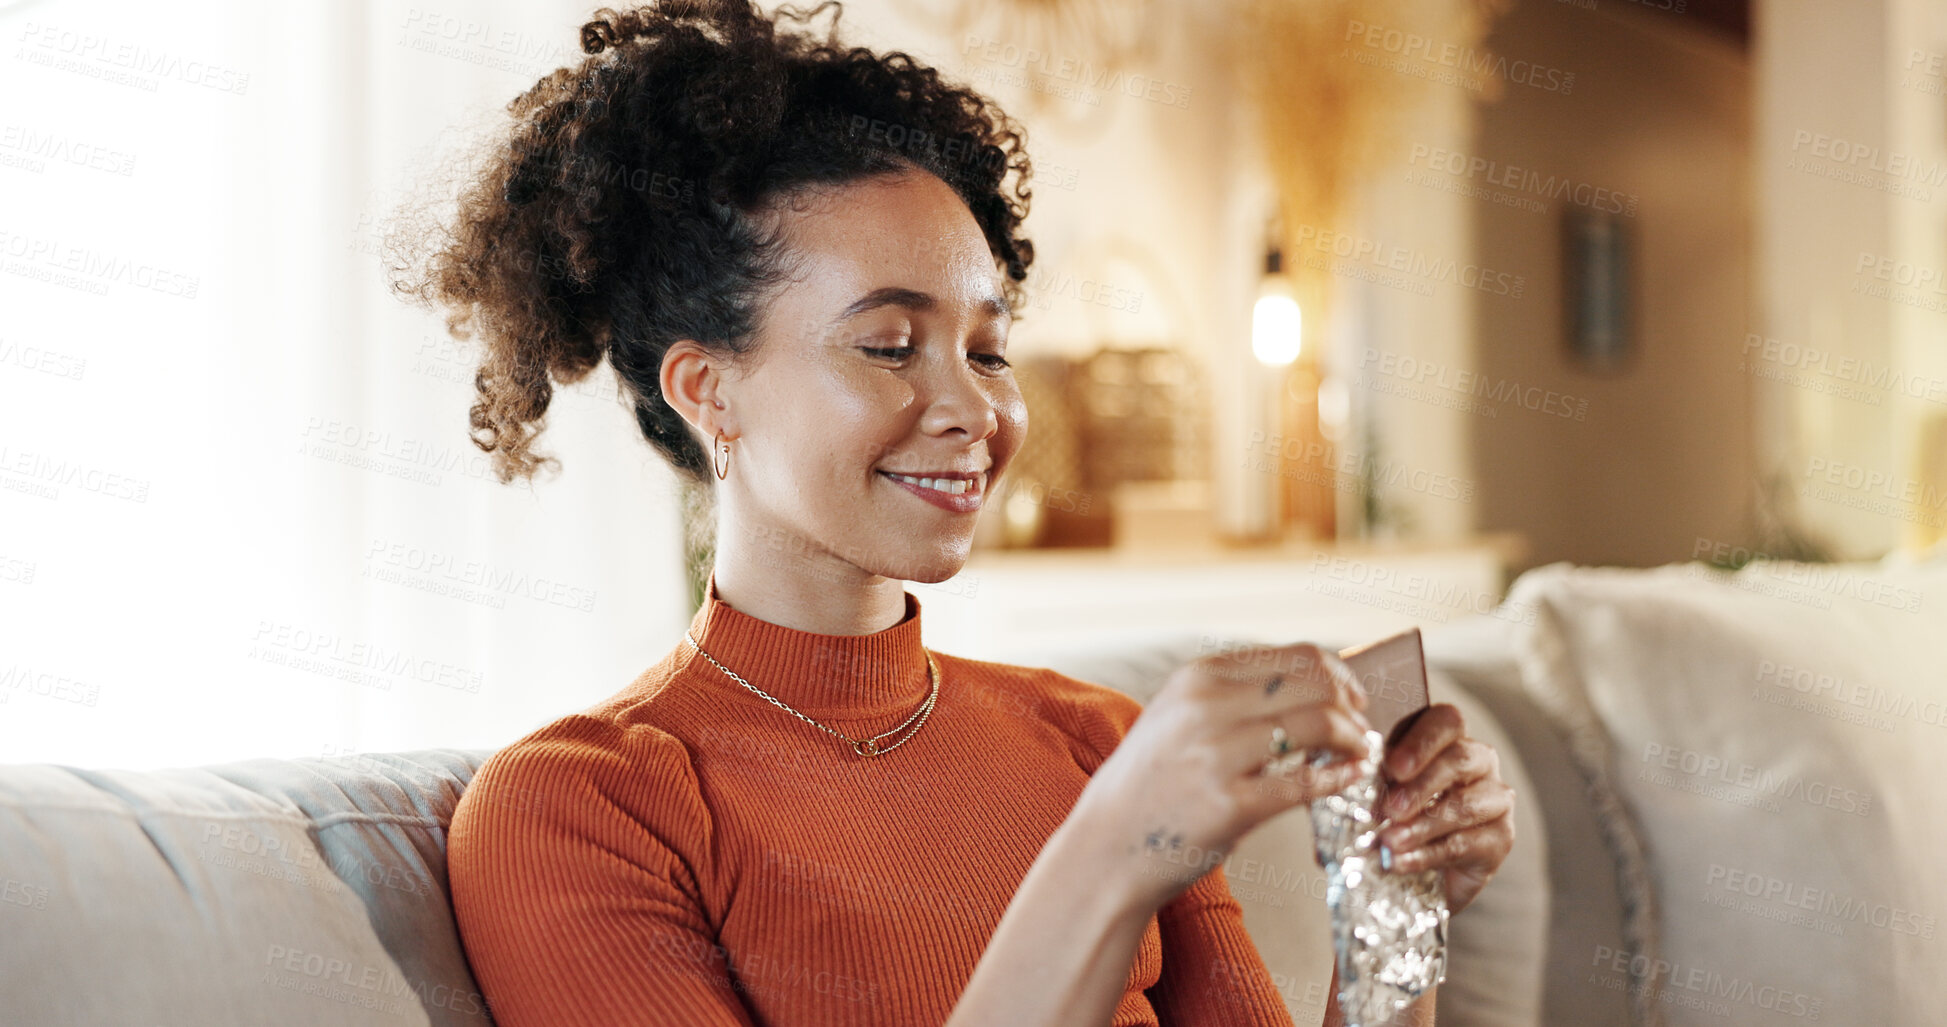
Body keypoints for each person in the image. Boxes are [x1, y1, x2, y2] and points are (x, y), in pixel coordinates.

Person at [385, 2, 1516, 1024]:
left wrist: (1392, 906)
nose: (975, 407)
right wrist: (1111, 853)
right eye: (889, 345)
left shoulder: (1092, 739)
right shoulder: (584, 806)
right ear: (707, 389)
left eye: (988, 349)